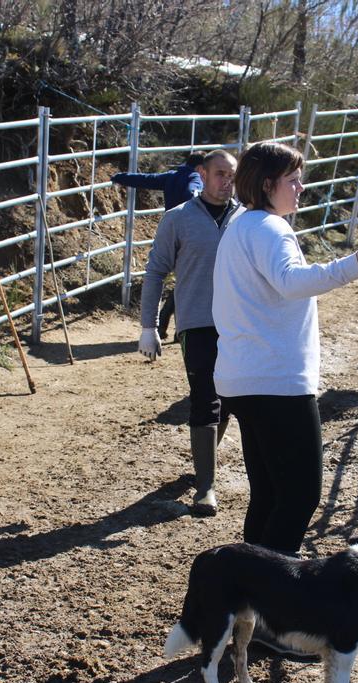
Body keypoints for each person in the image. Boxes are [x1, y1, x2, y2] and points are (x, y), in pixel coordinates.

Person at [213, 141, 358, 555]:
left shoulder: (239, 226)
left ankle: (247, 583)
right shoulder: (269, 227)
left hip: (244, 377)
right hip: (275, 380)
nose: (301, 188)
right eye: (293, 180)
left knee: (269, 494)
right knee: (299, 495)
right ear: (267, 184)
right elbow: (291, 281)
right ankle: (270, 587)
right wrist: (352, 266)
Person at [137, 150, 241, 517]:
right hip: (197, 323)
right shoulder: (178, 218)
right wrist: (148, 326)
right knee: (205, 397)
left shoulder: (246, 219)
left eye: (232, 175)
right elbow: (156, 271)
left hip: (240, 324)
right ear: (202, 174)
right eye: (220, 173)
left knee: (229, 399)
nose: (226, 181)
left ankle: (203, 462)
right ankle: (206, 486)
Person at [113, 152, 205, 339]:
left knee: (181, 280)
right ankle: (173, 326)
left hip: (171, 233)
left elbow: (146, 179)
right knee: (187, 282)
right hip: (191, 235)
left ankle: (170, 327)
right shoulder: (196, 178)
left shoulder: (171, 176)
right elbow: (193, 191)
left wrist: (120, 177)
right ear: (200, 168)